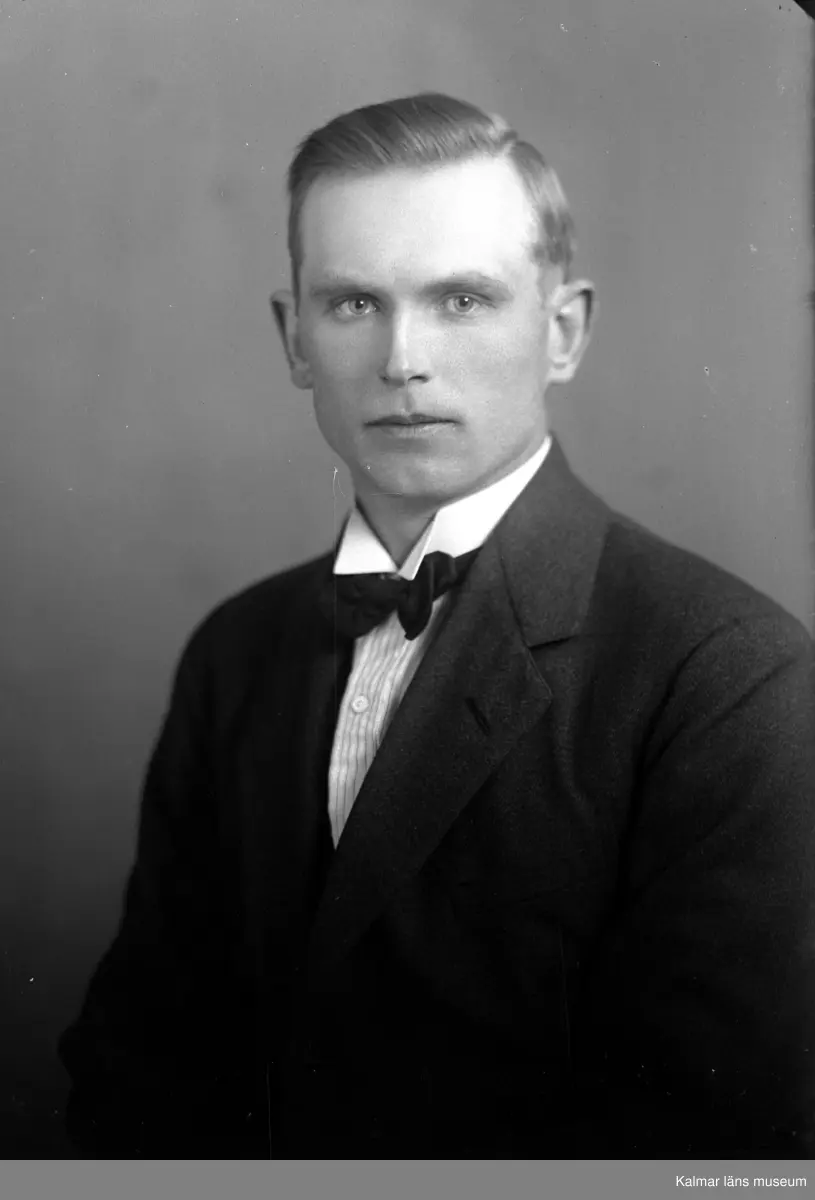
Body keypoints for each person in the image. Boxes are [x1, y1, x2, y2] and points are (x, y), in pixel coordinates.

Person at [58, 92, 815, 1160]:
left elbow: (705, 1145)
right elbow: (139, 1060)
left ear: (561, 332)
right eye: (353, 303)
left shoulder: (728, 673)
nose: (402, 358)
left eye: (462, 299)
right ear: (293, 338)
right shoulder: (236, 649)